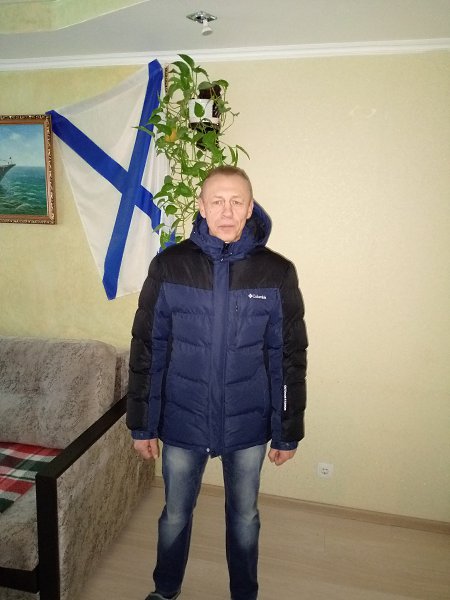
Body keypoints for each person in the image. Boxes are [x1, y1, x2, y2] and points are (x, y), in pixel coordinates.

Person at [127, 166, 308, 600]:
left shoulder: (277, 273)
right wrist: (143, 425)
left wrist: (287, 431)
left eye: (236, 202)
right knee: (175, 514)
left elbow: (288, 358)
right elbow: (148, 350)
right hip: (183, 422)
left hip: (247, 426)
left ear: (250, 208)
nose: (227, 211)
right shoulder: (169, 267)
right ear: (202, 207)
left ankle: (244, 594)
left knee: (245, 517)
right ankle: (165, 590)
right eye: (217, 201)